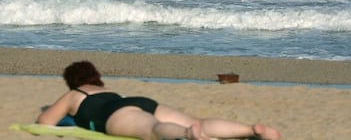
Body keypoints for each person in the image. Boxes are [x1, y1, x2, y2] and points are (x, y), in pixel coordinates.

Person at [37, 61, 281, 140]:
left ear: (73, 81)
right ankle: (252, 129)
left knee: (152, 130)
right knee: (199, 120)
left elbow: (45, 122)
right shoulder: (106, 89)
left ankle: (187, 134)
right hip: (138, 101)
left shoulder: (75, 94)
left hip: (114, 114)